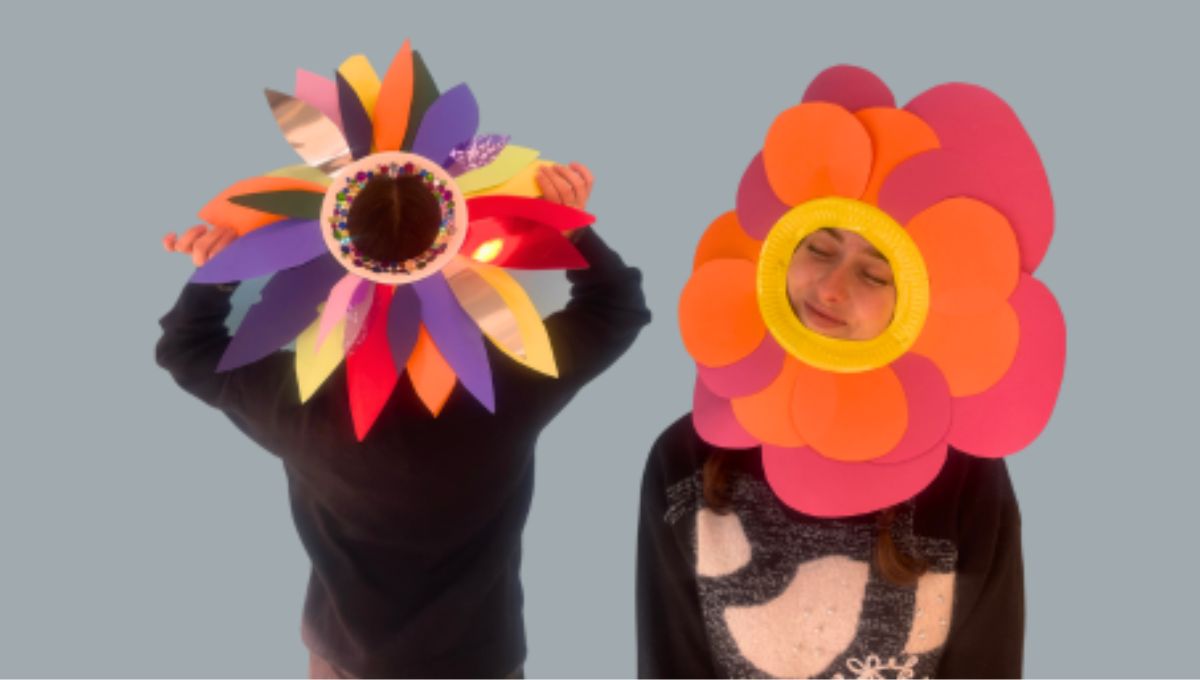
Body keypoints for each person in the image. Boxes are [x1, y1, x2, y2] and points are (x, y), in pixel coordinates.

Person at [159, 163, 651, 678]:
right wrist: (571, 228)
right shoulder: (512, 381)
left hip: (345, 659)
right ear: (456, 245)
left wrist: (217, 275)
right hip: (479, 661)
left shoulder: (296, 400)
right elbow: (617, 309)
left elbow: (185, 350)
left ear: (335, 259)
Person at [638, 227, 1024, 678]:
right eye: (819, 249)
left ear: (916, 304)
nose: (829, 289)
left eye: (875, 275)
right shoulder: (686, 457)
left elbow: (988, 664)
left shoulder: (968, 474)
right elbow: (670, 664)